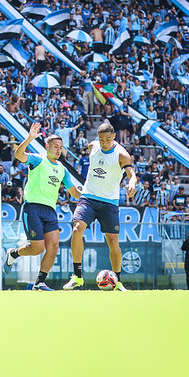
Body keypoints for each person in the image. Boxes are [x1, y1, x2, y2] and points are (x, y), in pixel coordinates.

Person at [4, 123, 81, 291]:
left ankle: (39, 283)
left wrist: (89, 195)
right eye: (55, 146)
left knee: (53, 247)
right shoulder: (38, 159)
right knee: (37, 248)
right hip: (32, 208)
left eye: (60, 147)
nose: (58, 150)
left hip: (50, 211)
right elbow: (18, 155)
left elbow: (74, 192)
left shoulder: (62, 169)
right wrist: (30, 138)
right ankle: (13, 254)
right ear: (47, 147)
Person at [64, 123, 137, 291]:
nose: (104, 143)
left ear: (114, 138)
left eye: (108, 140)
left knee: (113, 242)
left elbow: (131, 175)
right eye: (102, 140)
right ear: (98, 138)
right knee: (77, 229)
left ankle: (117, 281)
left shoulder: (122, 155)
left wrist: (132, 184)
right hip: (88, 197)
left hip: (110, 201)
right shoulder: (93, 146)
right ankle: (77, 277)